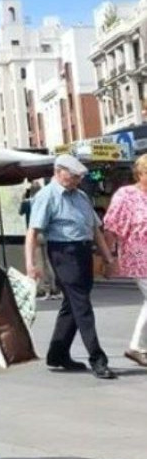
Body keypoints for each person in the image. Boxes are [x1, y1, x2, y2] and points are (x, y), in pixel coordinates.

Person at [26, 154, 117, 380]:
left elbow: (95, 230)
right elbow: (33, 232)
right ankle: (97, 358)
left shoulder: (82, 196)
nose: (76, 180)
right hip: (62, 252)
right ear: (58, 172)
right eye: (73, 176)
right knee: (81, 304)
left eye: (79, 177)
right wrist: (31, 264)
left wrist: (108, 258)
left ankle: (57, 354)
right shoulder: (47, 196)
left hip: (83, 251)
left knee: (73, 303)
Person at [104, 154, 147, 368]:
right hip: (139, 255)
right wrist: (109, 258)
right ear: (140, 174)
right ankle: (136, 346)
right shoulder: (126, 195)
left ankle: (139, 346)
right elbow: (112, 226)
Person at [20, 181, 59, 299]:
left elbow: (20, 212)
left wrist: (23, 197)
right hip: (45, 233)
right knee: (48, 261)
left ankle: (41, 288)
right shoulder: (44, 201)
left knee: (38, 262)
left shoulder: (28, 203)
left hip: (34, 235)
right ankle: (53, 287)